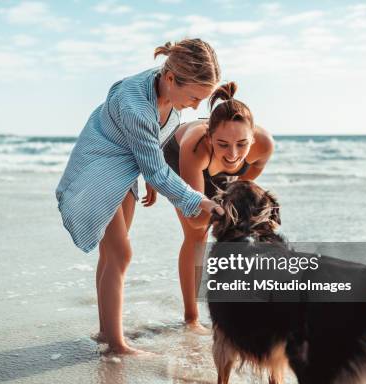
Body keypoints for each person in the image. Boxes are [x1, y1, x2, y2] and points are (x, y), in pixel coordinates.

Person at [56, 39, 224, 355]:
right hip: (99, 166)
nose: (196, 107)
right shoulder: (135, 105)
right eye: (194, 97)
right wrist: (197, 200)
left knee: (111, 255)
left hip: (127, 167)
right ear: (172, 79)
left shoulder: (169, 83)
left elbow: (153, 150)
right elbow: (157, 171)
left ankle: (107, 332)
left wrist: (151, 171)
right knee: (121, 254)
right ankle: (117, 344)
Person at [142, 82, 274, 331]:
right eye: (223, 143)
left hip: (217, 171)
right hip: (177, 158)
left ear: (253, 138)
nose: (234, 153)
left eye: (242, 144)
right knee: (196, 234)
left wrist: (230, 198)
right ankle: (191, 318)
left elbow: (253, 168)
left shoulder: (264, 144)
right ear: (210, 136)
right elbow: (195, 217)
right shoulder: (196, 145)